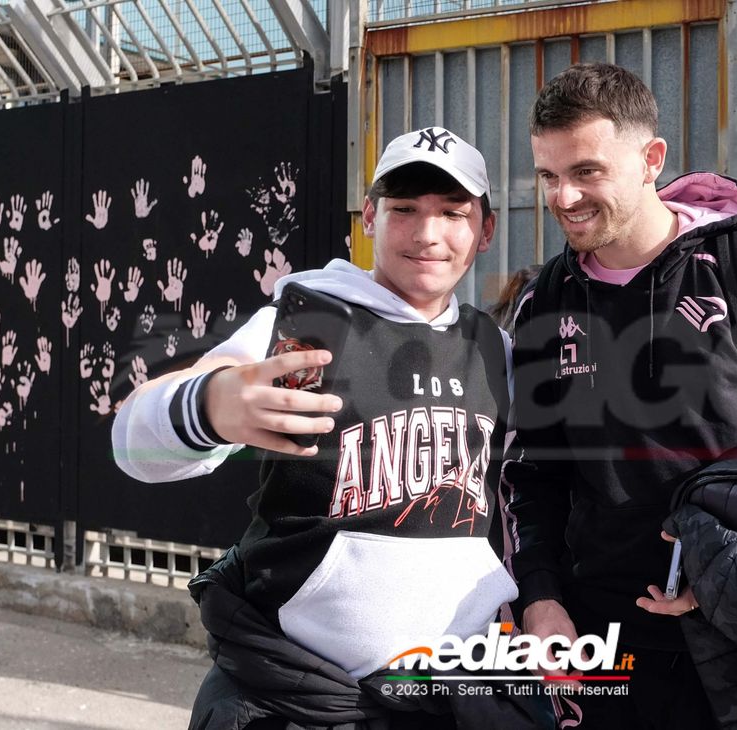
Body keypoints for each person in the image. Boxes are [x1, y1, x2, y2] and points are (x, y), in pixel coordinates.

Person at [112, 127, 549, 729]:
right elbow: (132, 443)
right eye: (404, 210)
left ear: (486, 230)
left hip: (449, 700)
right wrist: (210, 405)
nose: (428, 234)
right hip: (294, 699)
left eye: (453, 213)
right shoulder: (310, 320)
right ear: (368, 216)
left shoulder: (492, 350)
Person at [503, 63, 737, 728]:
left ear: (651, 159)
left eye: (586, 171)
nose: (563, 197)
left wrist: (734, 564)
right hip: (605, 647)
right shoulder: (544, 304)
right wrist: (539, 597)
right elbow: (528, 474)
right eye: (547, 176)